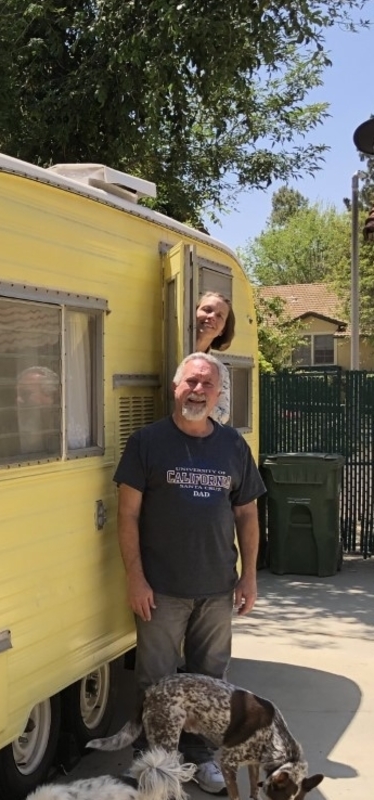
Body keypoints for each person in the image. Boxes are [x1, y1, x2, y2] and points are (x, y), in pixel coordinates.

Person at [114, 351, 265, 794]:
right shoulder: (147, 442)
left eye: (207, 385)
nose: (198, 391)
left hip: (217, 587)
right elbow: (127, 516)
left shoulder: (233, 445)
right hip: (160, 589)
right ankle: (153, 764)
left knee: (210, 683)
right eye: (191, 383)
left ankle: (201, 759)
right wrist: (136, 578)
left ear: (219, 394)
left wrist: (249, 575)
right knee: (155, 683)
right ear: (176, 386)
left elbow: (248, 515)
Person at [194, 292, 235, 425]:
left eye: (219, 316)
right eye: (207, 310)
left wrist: (195, 400)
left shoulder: (219, 371)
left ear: (222, 330)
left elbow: (223, 416)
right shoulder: (171, 350)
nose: (211, 317)